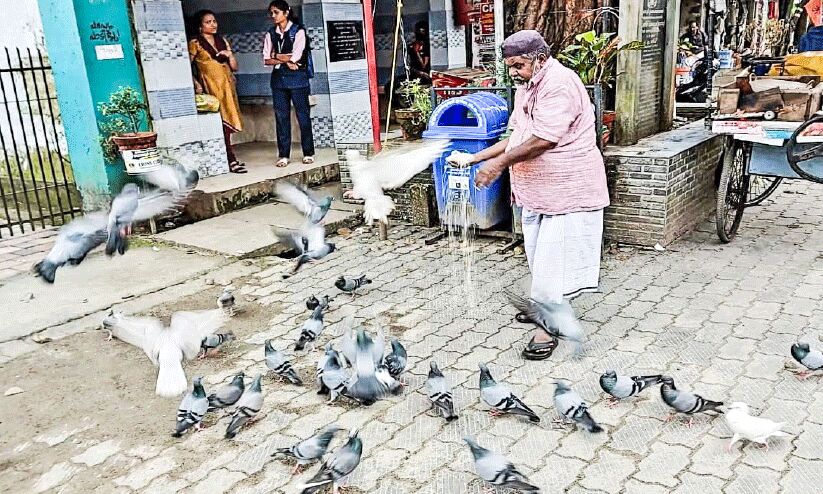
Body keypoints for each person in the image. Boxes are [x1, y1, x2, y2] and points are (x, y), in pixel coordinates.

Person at [448, 30, 609, 360]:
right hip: (538, 192)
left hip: (567, 189)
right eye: (509, 66)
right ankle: (545, 307)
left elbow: (543, 140)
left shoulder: (559, 84)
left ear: (541, 58)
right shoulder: (528, 86)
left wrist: (497, 166)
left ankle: (547, 327)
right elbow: (518, 136)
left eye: (519, 65)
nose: (513, 72)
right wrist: (476, 157)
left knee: (552, 261)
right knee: (540, 257)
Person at [189, 10, 246, 174]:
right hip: (211, 87)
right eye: (208, 22)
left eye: (214, 21)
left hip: (227, 86)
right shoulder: (195, 43)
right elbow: (187, 65)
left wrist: (230, 55)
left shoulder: (222, 41)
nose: (213, 24)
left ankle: (230, 158)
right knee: (220, 124)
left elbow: (234, 67)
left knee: (229, 123)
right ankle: (230, 160)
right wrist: (196, 83)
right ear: (200, 26)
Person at [263, 0, 315, 168]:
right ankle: (283, 155)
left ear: (286, 12)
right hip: (278, 81)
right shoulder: (271, 33)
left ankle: (308, 152)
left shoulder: (298, 32)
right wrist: (286, 58)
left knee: (303, 117)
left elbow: (297, 56)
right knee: (281, 118)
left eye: (276, 12)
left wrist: (278, 56)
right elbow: (266, 59)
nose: (273, 16)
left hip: (298, 80)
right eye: (271, 13)